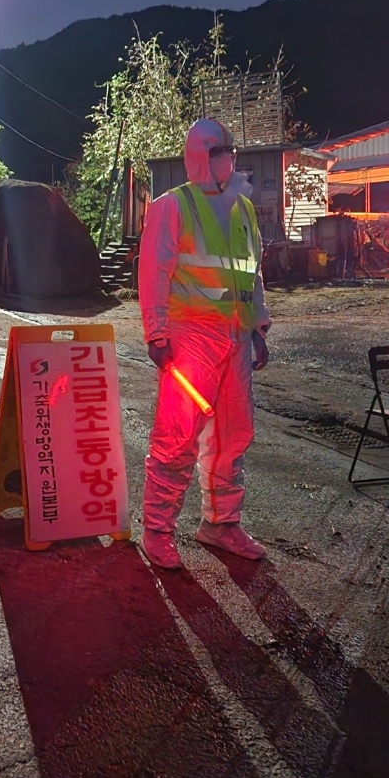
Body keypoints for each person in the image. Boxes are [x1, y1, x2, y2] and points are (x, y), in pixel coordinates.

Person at [138, 118, 272, 570]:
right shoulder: (172, 207)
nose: (228, 162)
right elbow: (153, 274)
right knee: (177, 438)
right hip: (189, 340)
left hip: (233, 339)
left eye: (231, 153)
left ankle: (221, 524)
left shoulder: (243, 209)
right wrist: (156, 334)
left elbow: (251, 275)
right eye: (219, 153)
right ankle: (157, 530)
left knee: (233, 435)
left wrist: (257, 328)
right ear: (200, 156)